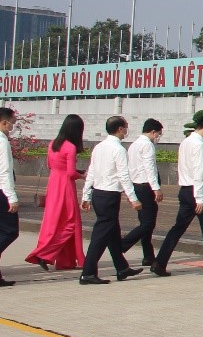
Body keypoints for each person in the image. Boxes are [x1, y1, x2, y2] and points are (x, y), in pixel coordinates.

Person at [154, 112, 203, 276]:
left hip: (185, 190)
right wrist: (200, 198)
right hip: (196, 190)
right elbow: (198, 172)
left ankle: (159, 262)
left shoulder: (186, 142)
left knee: (178, 228)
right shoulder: (198, 144)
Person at [78, 116, 143, 284]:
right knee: (100, 236)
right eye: (126, 127)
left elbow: (91, 171)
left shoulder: (99, 147)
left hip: (99, 193)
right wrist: (133, 198)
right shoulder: (119, 149)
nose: (127, 131)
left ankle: (122, 268)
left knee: (112, 233)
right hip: (109, 195)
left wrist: (86, 194)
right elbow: (123, 175)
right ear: (120, 129)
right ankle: (88, 273)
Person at [27, 114, 86, 272]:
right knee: (71, 224)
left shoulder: (53, 143)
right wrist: (83, 175)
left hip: (53, 184)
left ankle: (65, 260)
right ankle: (44, 254)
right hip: (65, 187)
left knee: (56, 221)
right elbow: (71, 173)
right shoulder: (71, 147)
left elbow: (51, 165)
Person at [119, 118, 163, 268]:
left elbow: (130, 168)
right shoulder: (147, 145)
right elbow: (149, 168)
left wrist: (130, 191)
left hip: (136, 186)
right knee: (148, 223)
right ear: (153, 132)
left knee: (145, 223)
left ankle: (148, 256)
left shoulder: (133, 145)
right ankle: (122, 244)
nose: (158, 137)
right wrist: (156, 188)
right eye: (158, 134)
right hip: (146, 187)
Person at [0, 108, 21, 287]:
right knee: (10, 231)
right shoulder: (2, 142)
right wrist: (11, 197)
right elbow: (5, 172)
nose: (12, 127)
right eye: (12, 123)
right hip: (2, 191)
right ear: (4, 123)